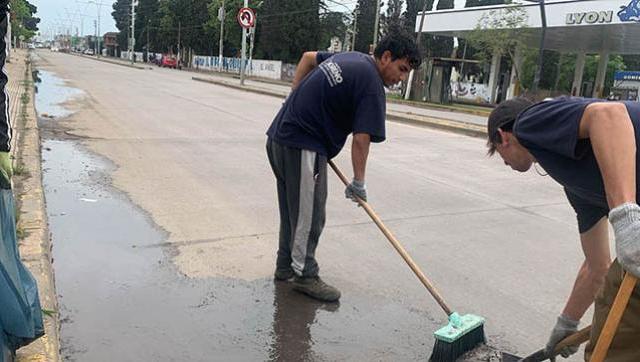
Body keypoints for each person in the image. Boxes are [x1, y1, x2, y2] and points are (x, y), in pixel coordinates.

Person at [265, 32, 421, 302]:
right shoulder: (372, 84)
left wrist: (293, 96)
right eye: (402, 68)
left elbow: (307, 59)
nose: (402, 78)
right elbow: (362, 139)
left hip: (279, 137)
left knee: (294, 210)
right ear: (386, 57)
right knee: (309, 214)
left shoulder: (351, 57)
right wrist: (358, 182)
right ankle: (305, 275)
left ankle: (285, 266)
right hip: (302, 144)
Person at [486, 96, 640, 361]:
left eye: (496, 149)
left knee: (616, 339)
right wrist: (567, 322)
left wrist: (626, 217)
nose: (503, 161)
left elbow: (609, 115)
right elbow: (597, 266)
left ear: (503, 136)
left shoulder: (529, 123)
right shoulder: (577, 186)